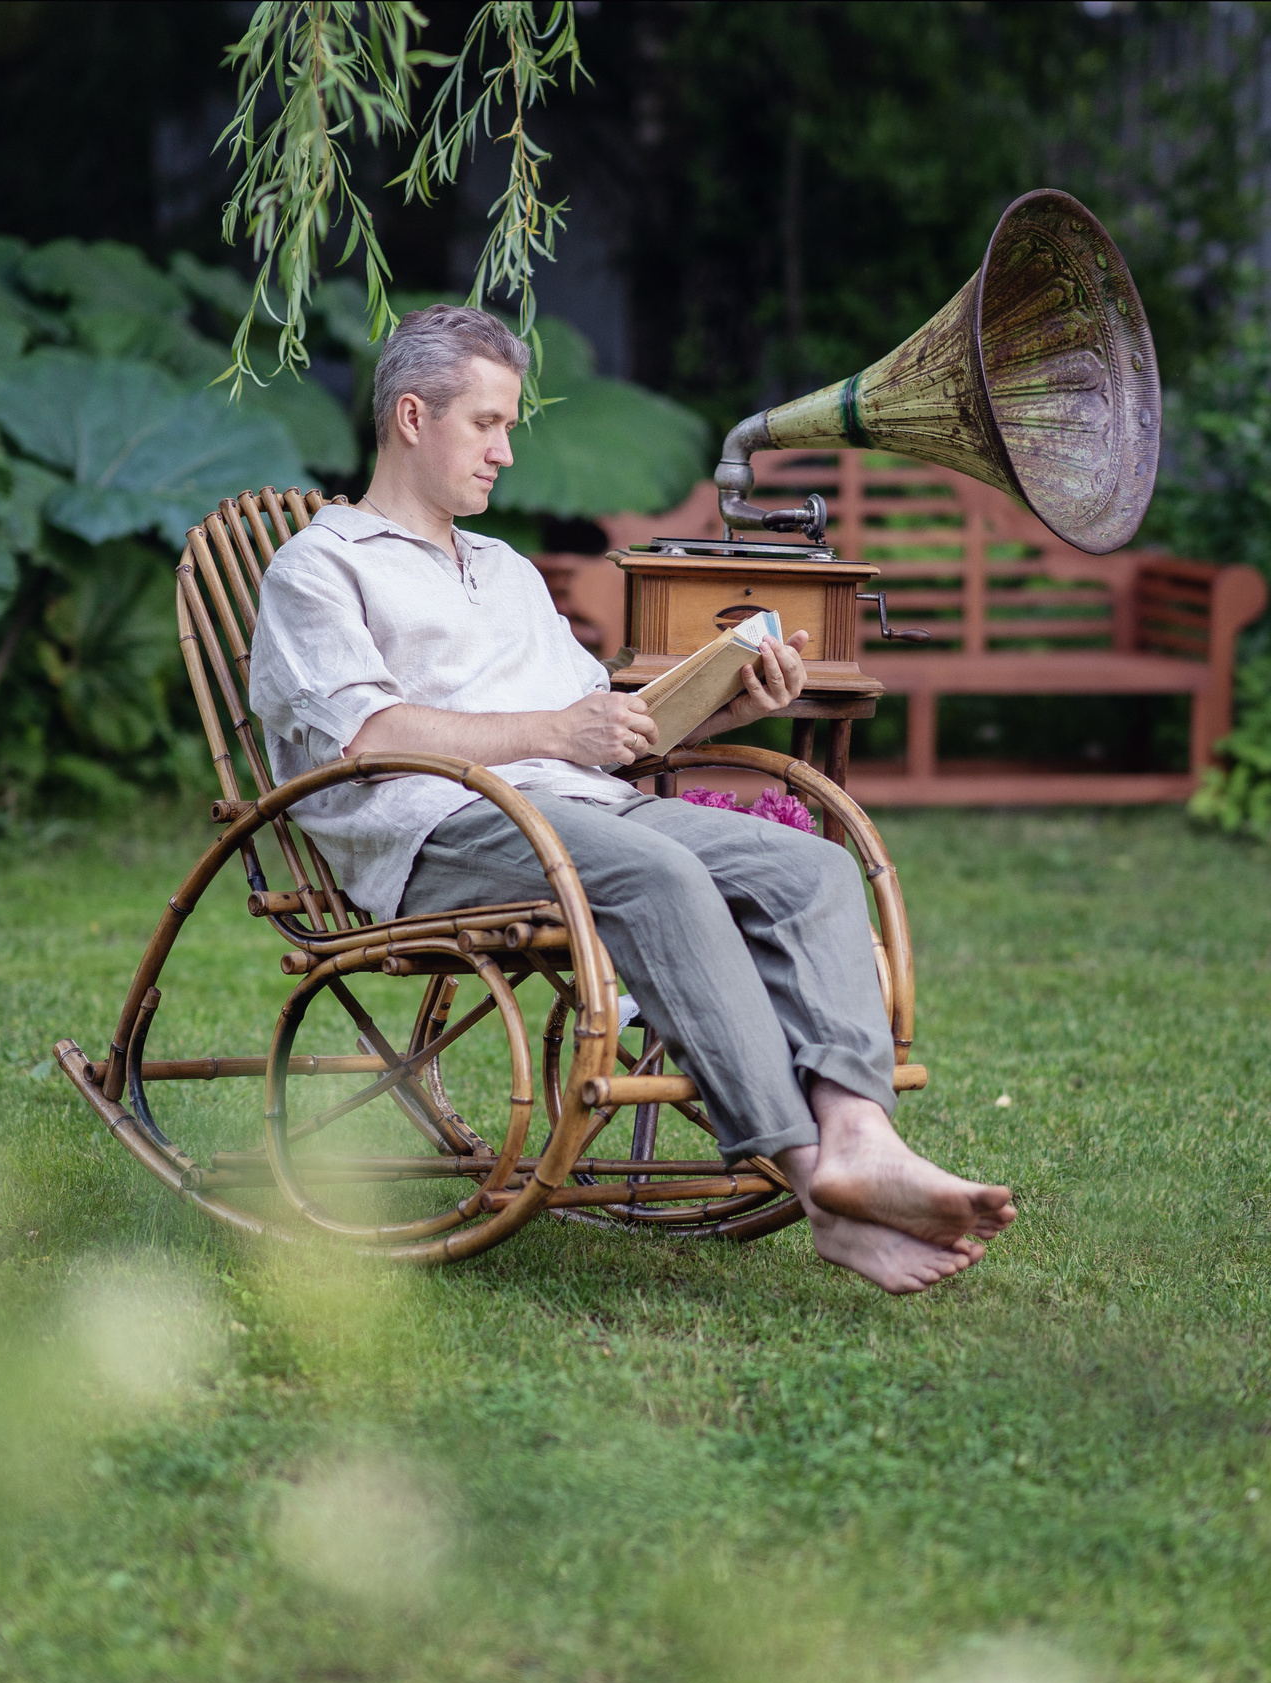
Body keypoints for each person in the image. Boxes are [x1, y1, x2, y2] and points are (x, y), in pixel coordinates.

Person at [247, 304, 1013, 1293]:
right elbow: (368, 737)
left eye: (508, 425)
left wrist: (731, 703)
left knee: (812, 869)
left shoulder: (503, 568)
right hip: (440, 828)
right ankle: (814, 1182)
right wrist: (551, 735)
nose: (505, 452)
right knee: (658, 875)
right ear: (411, 417)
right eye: (486, 423)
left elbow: (607, 731)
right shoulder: (322, 565)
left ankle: (860, 1138)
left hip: (583, 812)